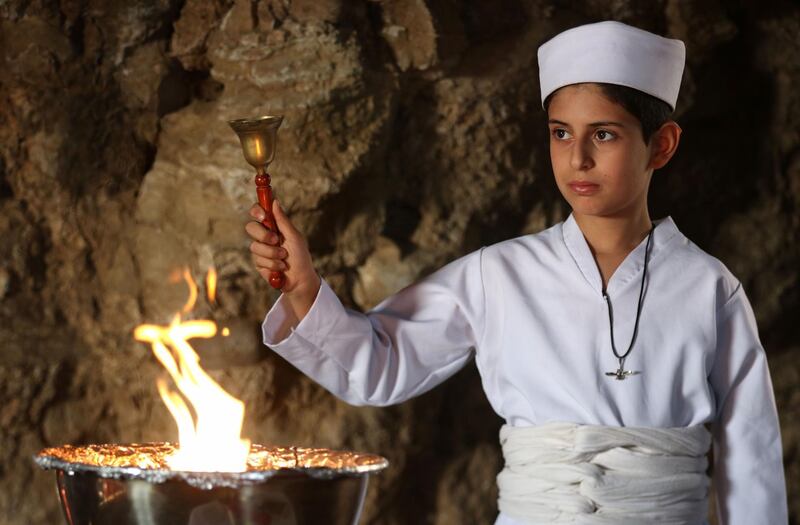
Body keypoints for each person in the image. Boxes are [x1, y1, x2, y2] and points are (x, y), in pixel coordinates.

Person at [244, 20, 788, 525]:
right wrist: (305, 289)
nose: (577, 159)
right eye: (560, 133)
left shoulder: (709, 288)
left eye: (603, 135)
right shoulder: (497, 274)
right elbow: (382, 364)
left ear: (661, 145)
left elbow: (751, 456)